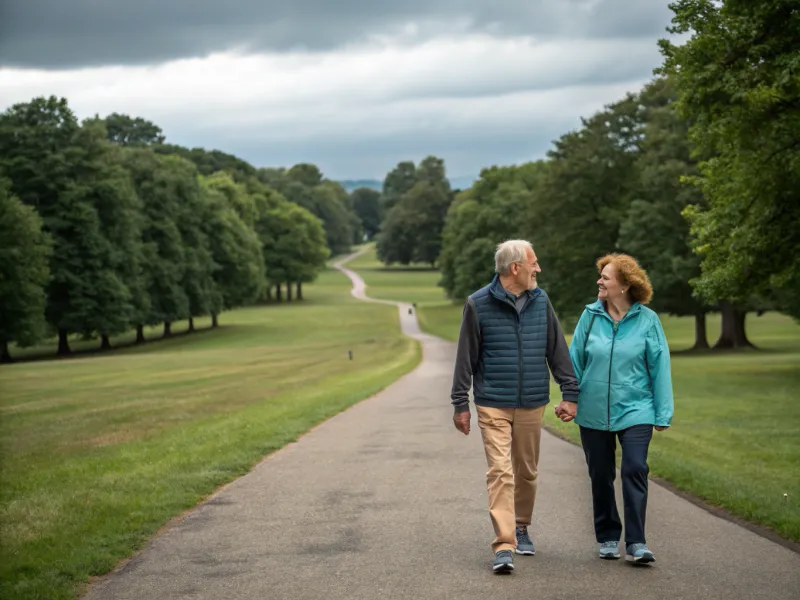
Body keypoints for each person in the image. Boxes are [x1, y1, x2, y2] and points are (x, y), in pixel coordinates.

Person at [451, 239, 579, 574]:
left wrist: (570, 391)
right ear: (515, 268)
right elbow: (465, 357)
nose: (538, 269)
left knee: (526, 471)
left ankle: (521, 525)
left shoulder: (541, 300)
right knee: (500, 471)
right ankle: (504, 544)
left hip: (531, 401)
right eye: (533, 263)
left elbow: (556, 347)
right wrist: (460, 402)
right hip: (493, 402)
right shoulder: (477, 304)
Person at [560, 253, 674, 564]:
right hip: (594, 410)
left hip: (636, 408)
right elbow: (575, 362)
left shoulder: (648, 320)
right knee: (600, 473)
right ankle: (608, 535)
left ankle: (636, 542)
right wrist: (570, 398)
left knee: (635, 468)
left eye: (605, 277)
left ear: (624, 285)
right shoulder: (590, 317)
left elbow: (659, 367)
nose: (599, 281)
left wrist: (662, 413)